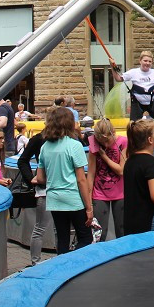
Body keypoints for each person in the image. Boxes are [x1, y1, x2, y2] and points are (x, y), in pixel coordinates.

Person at [35, 106, 94, 251]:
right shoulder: (74, 146)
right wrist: (89, 207)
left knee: (62, 239)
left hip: (54, 198)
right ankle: (76, 264)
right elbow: (81, 180)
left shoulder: (45, 147)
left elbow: (40, 177)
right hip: (72, 198)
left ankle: (64, 265)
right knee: (86, 237)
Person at [113, 51, 154, 156]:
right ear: (140, 61)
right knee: (133, 125)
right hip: (137, 102)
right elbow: (118, 78)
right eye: (145, 61)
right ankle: (133, 147)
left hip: (152, 101)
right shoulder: (133, 73)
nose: (147, 63)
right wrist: (112, 67)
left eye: (149, 61)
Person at [122, 119, 154, 234]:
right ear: (150, 140)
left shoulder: (129, 162)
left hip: (132, 223)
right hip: (149, 223)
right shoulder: (152, 163)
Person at [17, 123, 52, 265]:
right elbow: (23, 160)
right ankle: (35, 262)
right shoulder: (38, 139)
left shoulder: (65, 139)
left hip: (58, 189)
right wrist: (31, 179)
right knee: (40, 227)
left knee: (58, 228)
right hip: (44, 189)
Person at [87, 117, 127, 241]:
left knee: (122, 231)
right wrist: (89, 203)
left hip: (120, 192)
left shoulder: (123, 142)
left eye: (107, 141)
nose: (105, 145)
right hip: (100, 193)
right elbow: (91, 174)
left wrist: (104, 156)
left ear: (113, 133)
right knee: (100, 233)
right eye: (101, 142)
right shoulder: (94, 145)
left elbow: (121, 170)